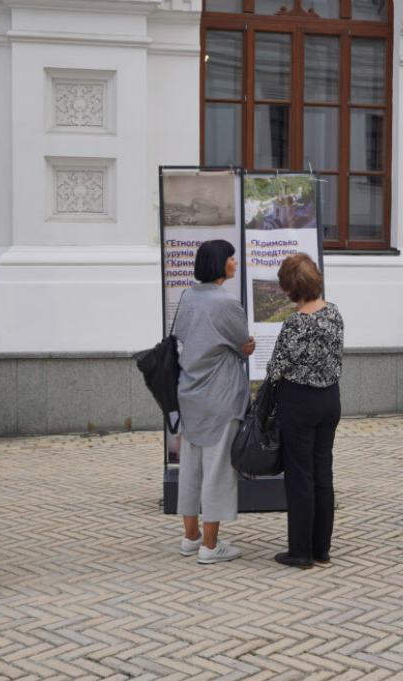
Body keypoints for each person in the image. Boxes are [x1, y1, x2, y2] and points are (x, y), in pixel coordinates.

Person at [173, 240, 255, 565]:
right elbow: (242, 343)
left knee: (191, 467)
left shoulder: (188, 296)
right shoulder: (227, 303)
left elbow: (182, 336)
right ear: (221, 263)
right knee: (218, 469)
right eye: (231, 257)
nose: (235, 262)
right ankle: (210, 546)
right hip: (220, 396)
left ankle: (191, 538)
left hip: (190, 392)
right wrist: (244, 347)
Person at [266, 253, 344, 569]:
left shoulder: (295, 322)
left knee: (300, 477)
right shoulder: (335, 313)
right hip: (330, 400)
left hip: (299, 403)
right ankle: (321, 549)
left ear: (291, 288)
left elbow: (276, 367)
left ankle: (300, 552)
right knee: (322, 475)